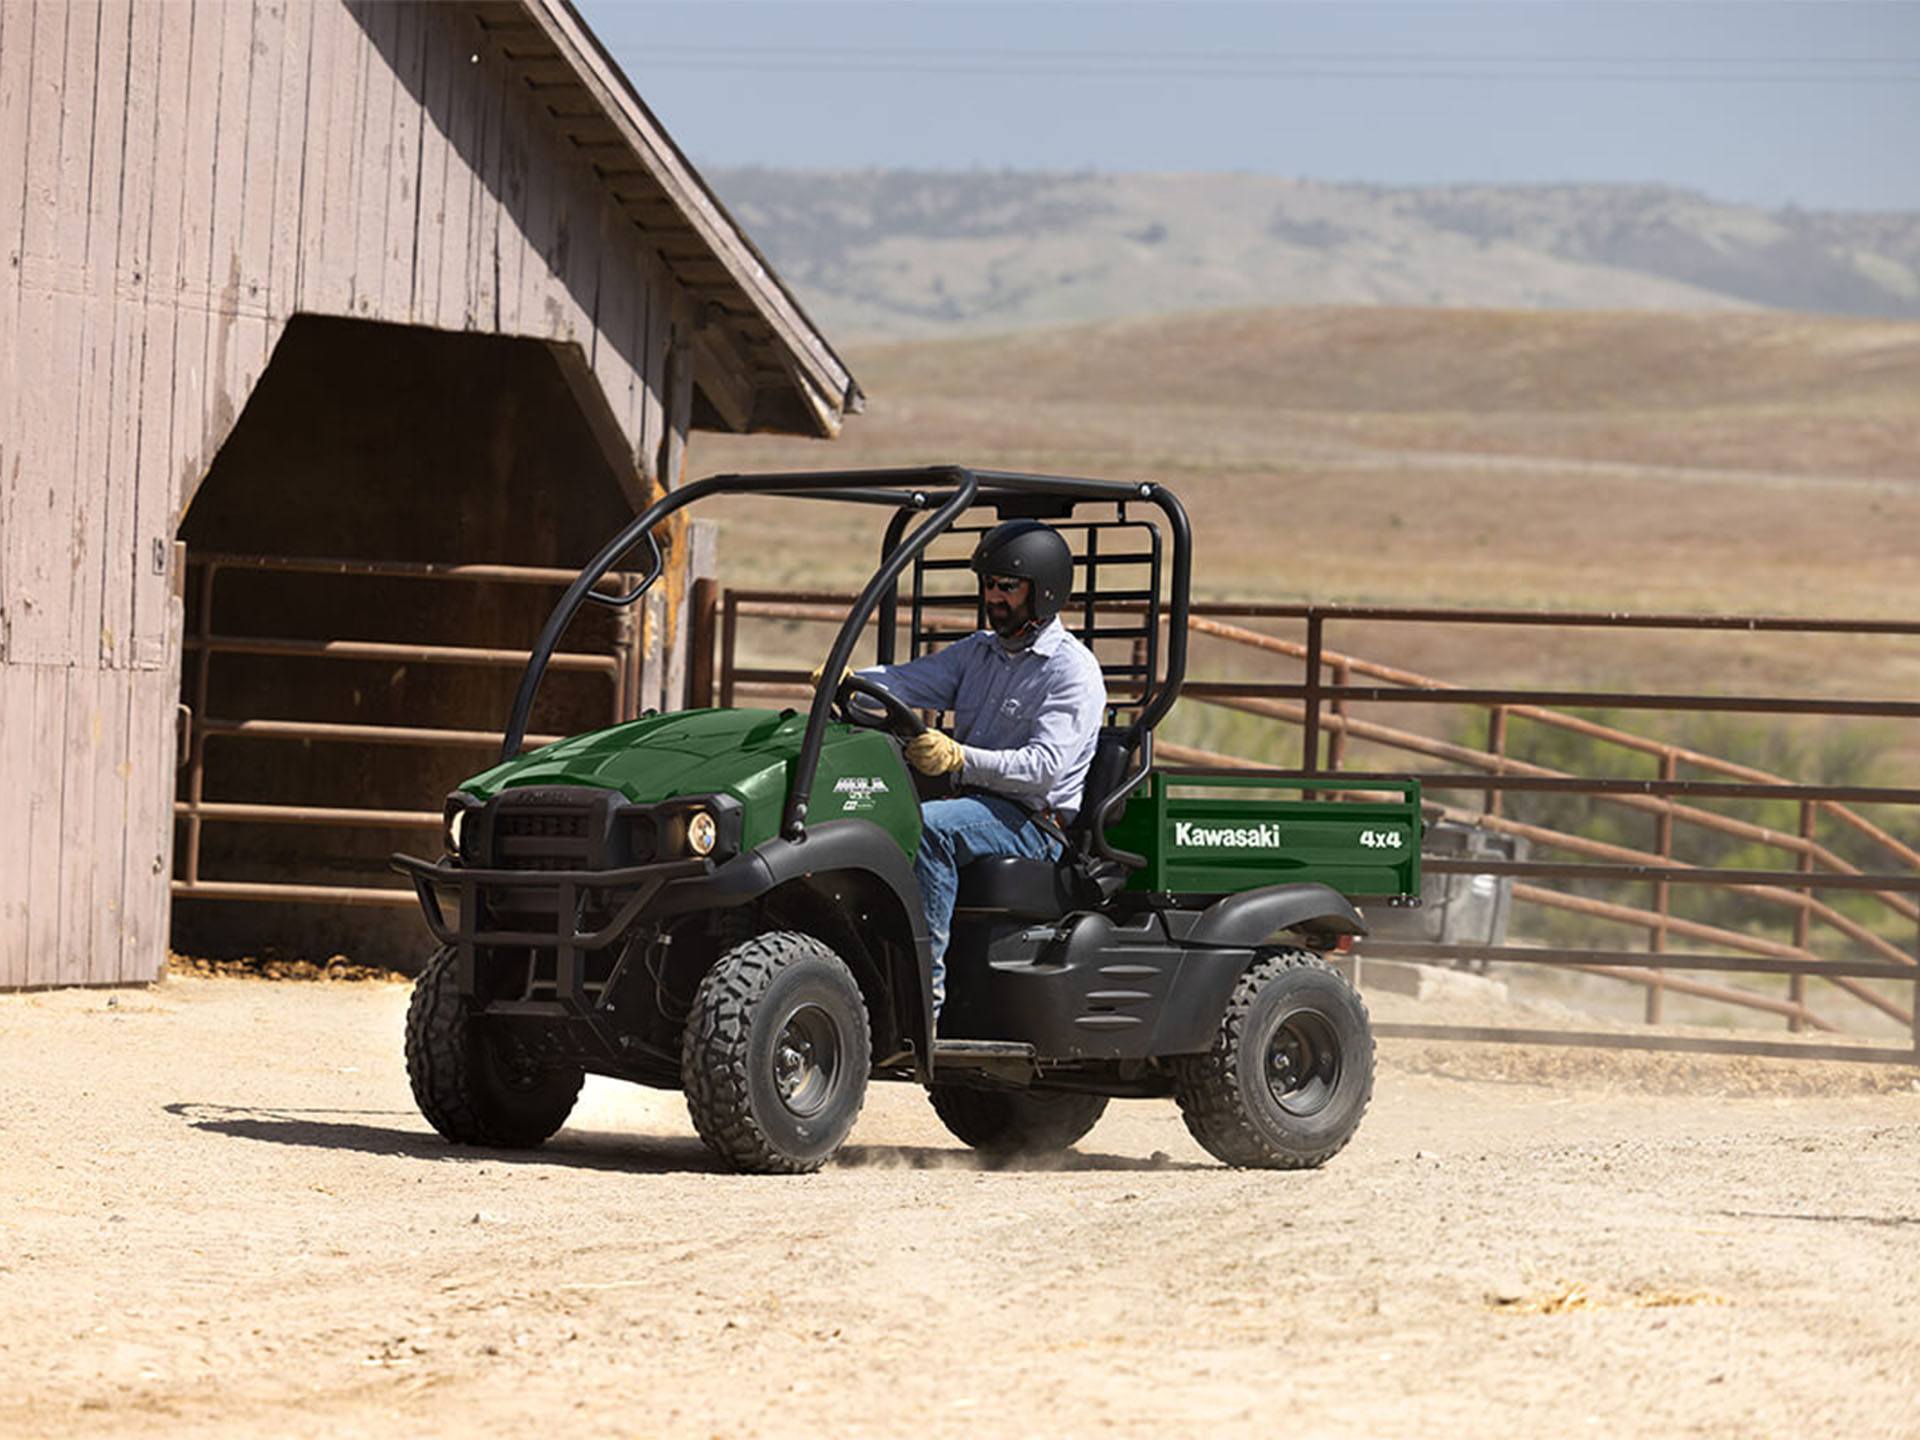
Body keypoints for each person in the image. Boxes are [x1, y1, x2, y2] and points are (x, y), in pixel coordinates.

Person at [848, 519, 1106, 1023]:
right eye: (988, 584)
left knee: (929, 830)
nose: (994, 596)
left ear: (1044, 591)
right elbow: (904, 681)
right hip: (976, 808)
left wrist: (960, 757)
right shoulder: (979, 651)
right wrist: (849, 680)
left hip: (1033, 824)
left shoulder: (1071, 670)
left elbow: (1042, 771)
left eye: (1007, 586)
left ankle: (924, 996)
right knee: (867, 814)